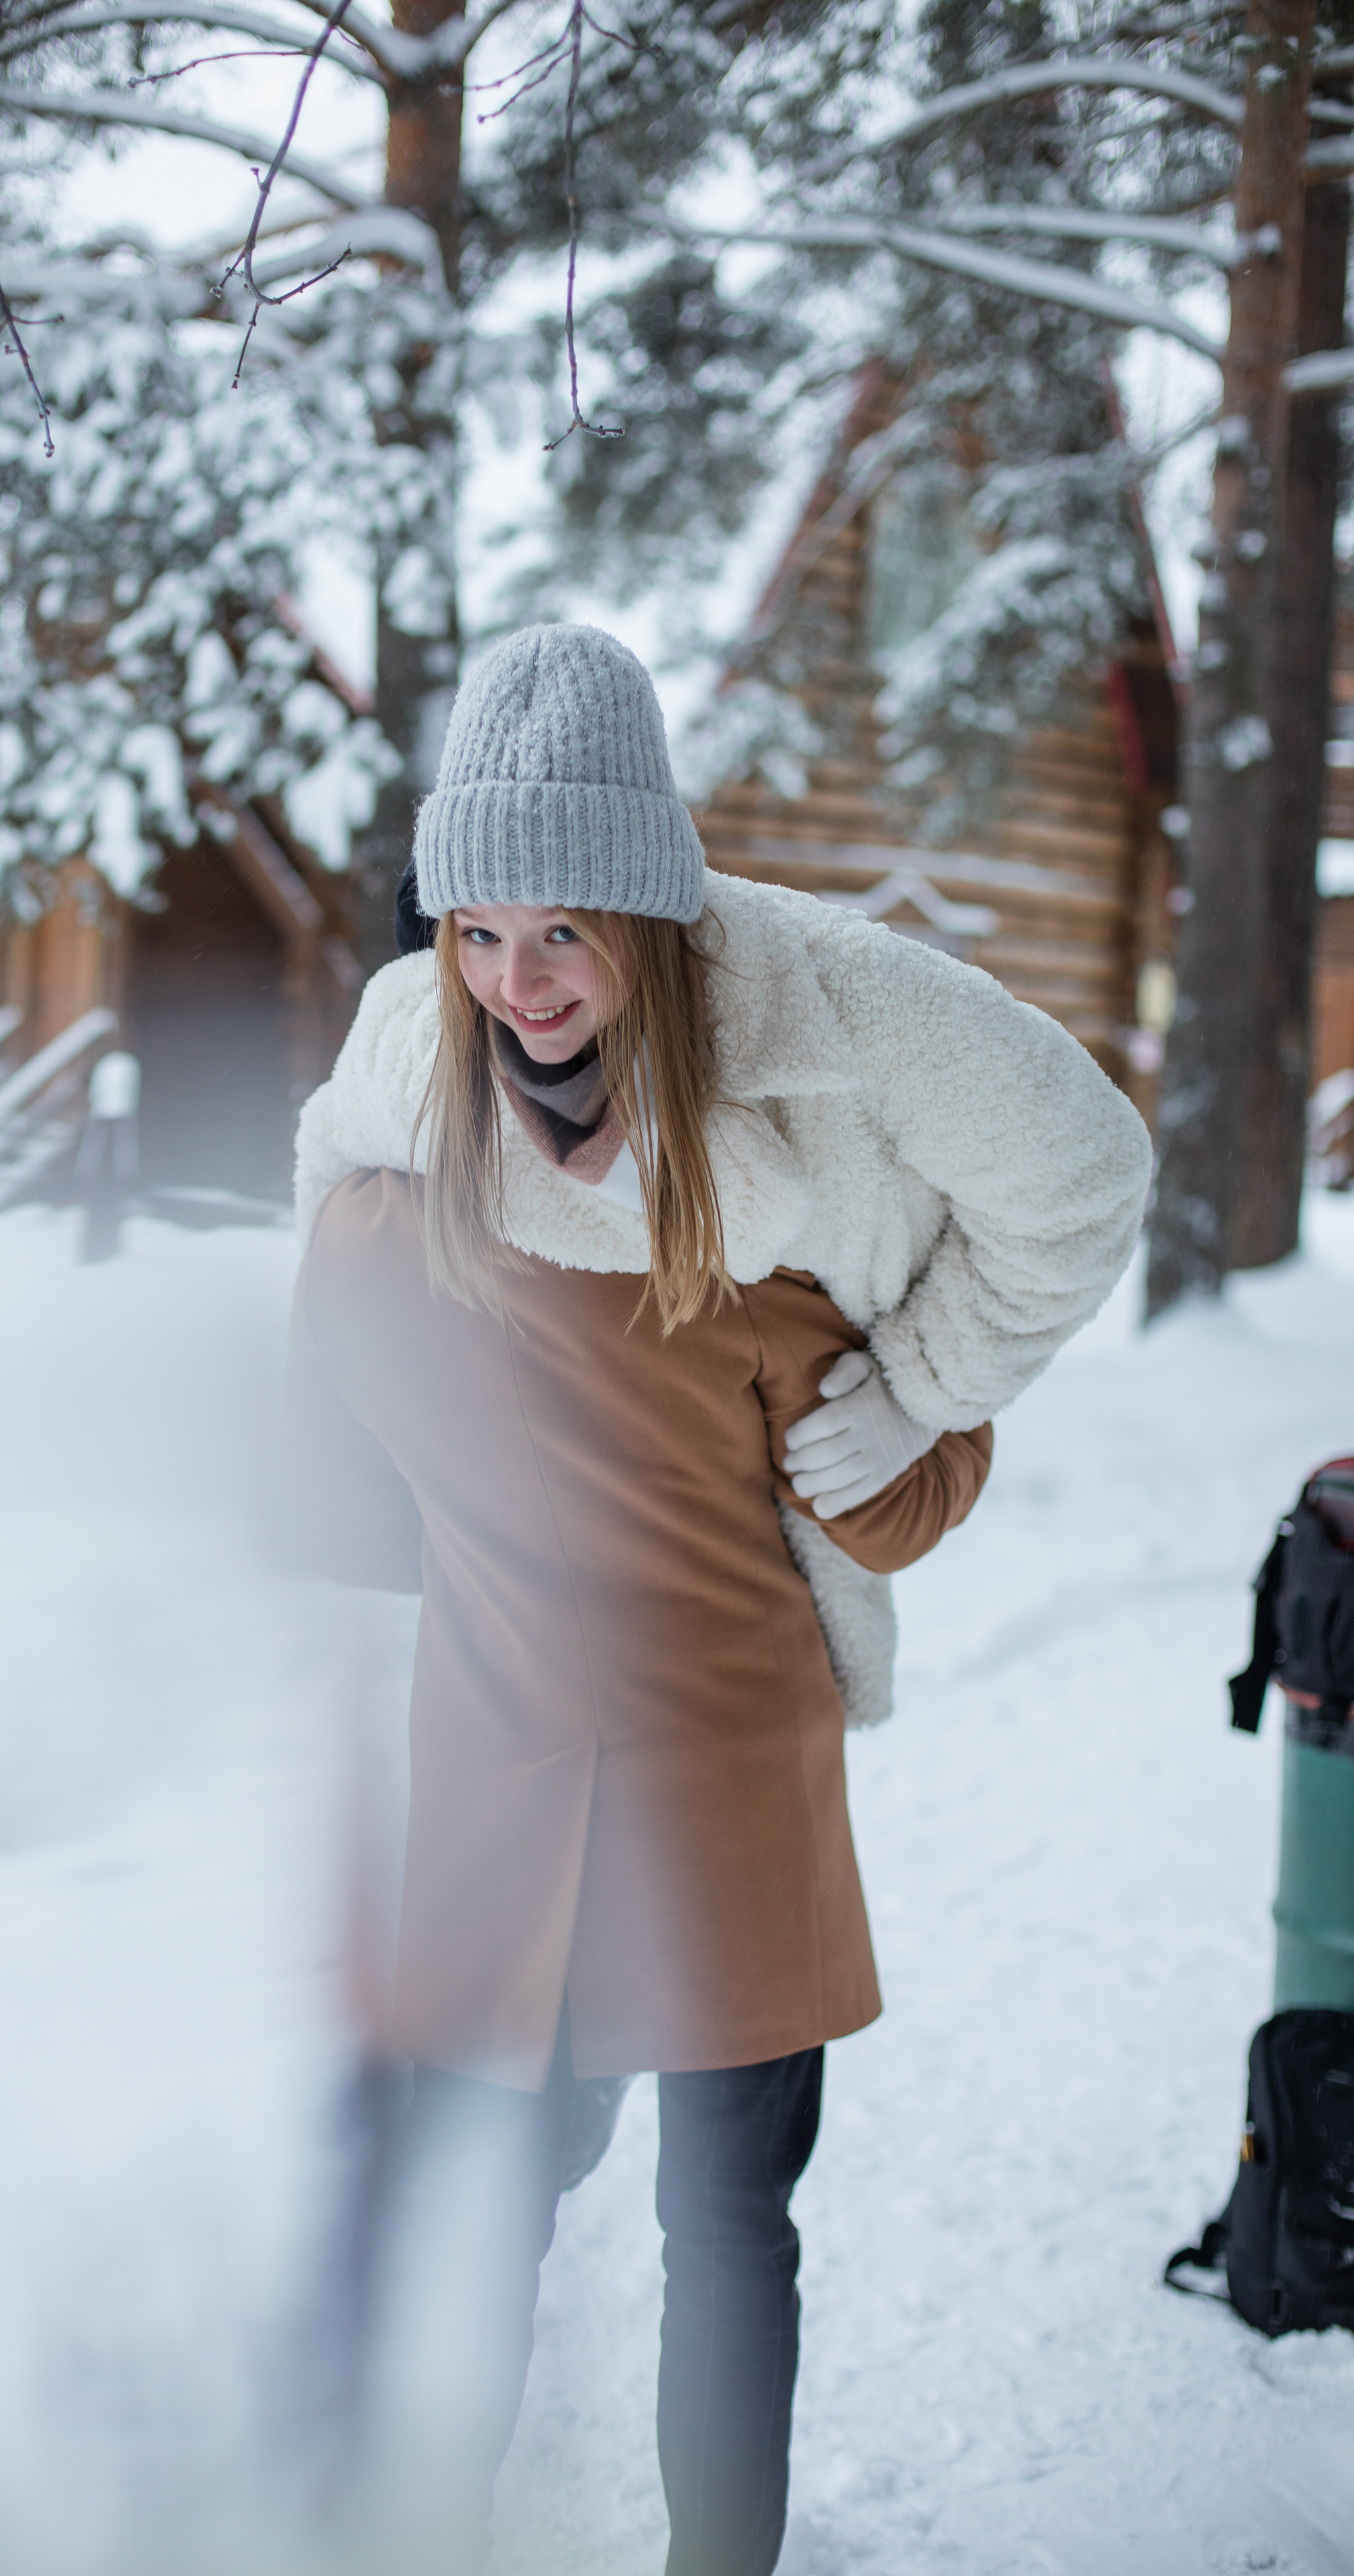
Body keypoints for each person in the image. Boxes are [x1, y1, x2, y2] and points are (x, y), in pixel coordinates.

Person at [283, 624, 1153, 2574]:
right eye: (481, 938)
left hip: (617, 1794)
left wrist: (916, 1389)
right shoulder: (734, 1276)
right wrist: (908, 1422)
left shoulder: (783, 1104)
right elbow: (903, 1508)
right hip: (662, 1786)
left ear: (655, 930)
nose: (516, 988)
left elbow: (333, 1463)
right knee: (689, 2221)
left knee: (587, 2210)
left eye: (564, 938)